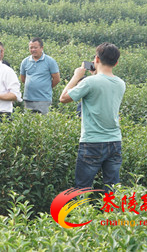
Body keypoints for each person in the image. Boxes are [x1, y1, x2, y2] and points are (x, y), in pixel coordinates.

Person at [60, 43, 125, 191]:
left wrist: (76, 77)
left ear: (96, 59)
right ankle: (111, 214)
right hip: (115, 140)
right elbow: (103, 84)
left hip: (92, 142)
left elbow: (63, 98)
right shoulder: (121, 83)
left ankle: (83, 214)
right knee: (112, 188)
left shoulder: (90, 82)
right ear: (116, 63)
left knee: (82, 188)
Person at [19, 38, 61, 114]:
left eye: (35, 47)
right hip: (28, 98)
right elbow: (22, 78)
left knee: (42, 122)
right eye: (31, 48)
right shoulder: (25, 61)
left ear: (41, 48)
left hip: (43, 99)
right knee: (28, 122)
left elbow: (57, 79)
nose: (33, 50)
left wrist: (46, 87)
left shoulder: (50, 61)